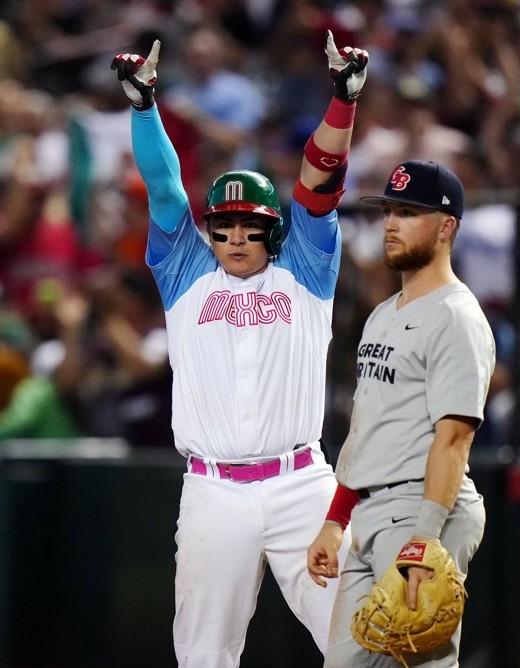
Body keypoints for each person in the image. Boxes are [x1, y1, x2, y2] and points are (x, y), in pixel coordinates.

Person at [110, 31, 368, 666]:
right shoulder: (185, 273)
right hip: (214, 490)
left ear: (272, 230)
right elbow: (167, 189)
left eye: (250, 225)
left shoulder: (305, 270)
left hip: (302, 485)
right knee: (204, 656)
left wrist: (341, 101)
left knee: (361, 640)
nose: (233, 236)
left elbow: (319, 185)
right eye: (222, 225)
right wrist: (144, 107)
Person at [306, 160, 496, 666]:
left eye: (408, 212)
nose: (390, 223)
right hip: (371, 511)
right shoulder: (383, 313)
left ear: (446, 226)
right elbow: (368, 429)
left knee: (422, 660)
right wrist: (335, 519)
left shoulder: (457, 316)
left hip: (421, 507)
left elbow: (454, 439)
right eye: (388, 210)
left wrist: (425, 537)